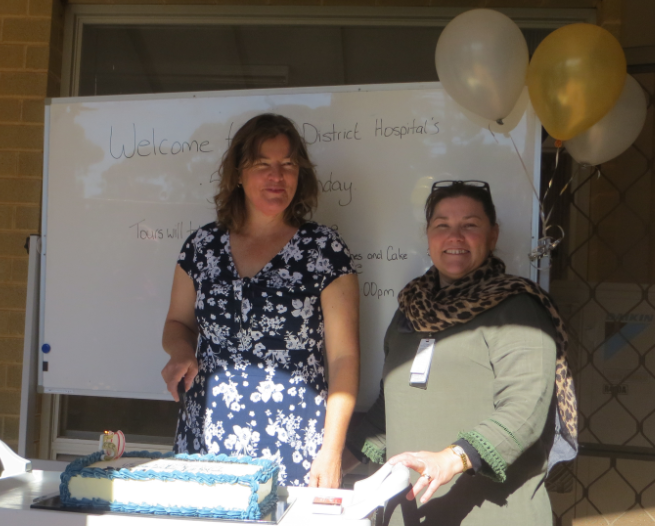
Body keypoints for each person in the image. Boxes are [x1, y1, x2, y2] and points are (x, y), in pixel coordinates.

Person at [345, 180, 577, 525]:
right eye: (442, 226)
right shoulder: (410, 310)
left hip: (494, 517)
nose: (455, 237)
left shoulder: (517, 309)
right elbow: (388, 407)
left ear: (493, 235)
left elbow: (525, 410)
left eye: (470, 225)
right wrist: (339, 459)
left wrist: (452, 459)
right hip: (408, 514)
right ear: (428, 236)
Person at [161, 113, 360, 488]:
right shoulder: (202, 247)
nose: (277, 176)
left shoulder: (325, 250)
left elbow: (344, 359)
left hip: (294, 440)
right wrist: (181, 352)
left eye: (288, 165)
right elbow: (177, 325)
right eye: (263, 164)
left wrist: (332, 451)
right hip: (206, 435)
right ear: (238, 174)